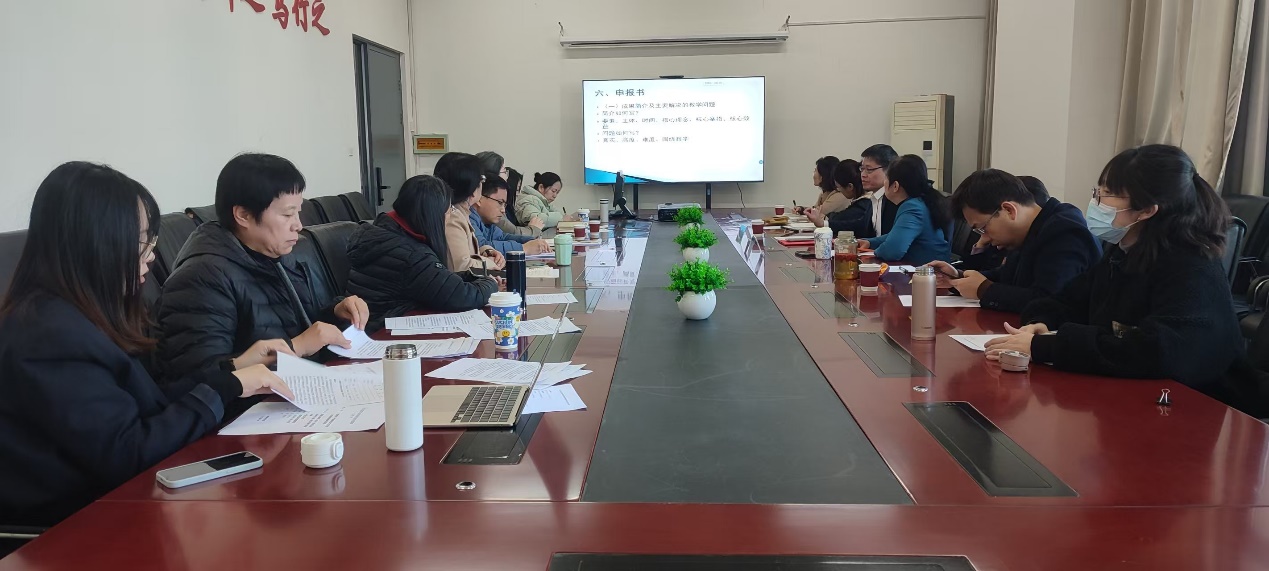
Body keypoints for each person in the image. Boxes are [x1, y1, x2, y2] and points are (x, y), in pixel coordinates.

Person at [0, 162, 293, 529]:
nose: (151, 255)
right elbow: (127, 453)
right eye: (142, 241)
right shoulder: (48, 336)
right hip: (75, 530)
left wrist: (231, 372)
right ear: (94, 244)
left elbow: (146, 405)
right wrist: (226, 387)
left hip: (123, 505)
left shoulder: (80, 314)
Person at [985, 145, 1264, 415]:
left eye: (1107, 194)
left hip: (1199, 407)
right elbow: (1070, 299)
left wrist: (1047, 347)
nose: (1096, 202)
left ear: (1146, 210)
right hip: (1132, 401)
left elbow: (1159, 352)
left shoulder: (1192, 264)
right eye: (1097, 192)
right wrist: (1043, 323)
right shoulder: (1124, 251)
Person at [157, 154, 368, 379]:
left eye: (298, 212)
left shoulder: (276, 255)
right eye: (287, 214)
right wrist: (295, 348)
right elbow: (199, 378)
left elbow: (298, 326)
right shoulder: (202, 278)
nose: (298, 225)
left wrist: (336, 313)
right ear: (243, 215)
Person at [927, 169, 1101, 313]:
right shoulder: (1031, 230)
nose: (985, 237)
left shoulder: (1064, 234)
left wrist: (984, 290)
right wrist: (958, 277)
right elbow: (1007, 276)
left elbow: (1050, 302)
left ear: (1009, 210)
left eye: (983, 228)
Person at [346, 175, 500, 325]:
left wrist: (475, 276)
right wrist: (491, 283)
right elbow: (463, 296)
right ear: (433, 215)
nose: (450, 216)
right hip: (383, 331)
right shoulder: (410, 255)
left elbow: (438, 278)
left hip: (372, 323)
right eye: (449, 211)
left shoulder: (384, 233)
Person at [857, 155, 951, 265]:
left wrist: (874, 252)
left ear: (895, 186)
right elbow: (895, 235)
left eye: (886, 178)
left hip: (928, 271)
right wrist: (870, 243)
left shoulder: (913, 207)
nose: (884, 183)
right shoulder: (922, 201)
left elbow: (892, 251)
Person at [434, 152, 505, 272]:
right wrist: (489, 263)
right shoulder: (452, 218)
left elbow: (465, 251)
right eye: (481, 180)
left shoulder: (462, 212)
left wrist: (486, 251)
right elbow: (461, 266)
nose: (482, 184)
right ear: (471, 188)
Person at [471, 174, 552, 255]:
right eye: (500, 202)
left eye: (504, 205)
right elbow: (480, 247)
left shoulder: (487, 223)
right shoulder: (469, 217)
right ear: (479, 198)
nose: (503, 210)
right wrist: (523, 248)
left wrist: (531, 241)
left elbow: (502, 237)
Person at [476, 152, 543, 237]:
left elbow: (503, 238)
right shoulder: (489, 206)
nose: (507, 177)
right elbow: (512, 233)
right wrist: (534, 229)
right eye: (504, 172)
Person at [807, 159, 873, 238]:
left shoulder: (864, 204)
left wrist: (823, 221)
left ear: (850, 187)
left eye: (838, 187)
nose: (838, 190)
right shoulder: (862, 200)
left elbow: (841, 218)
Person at [860, 144, 901, 236]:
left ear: (889, 170)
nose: (863, 174)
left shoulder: (896, 199)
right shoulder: (874, 197)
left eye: (869, 169)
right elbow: (861, 225)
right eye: (862, 169)